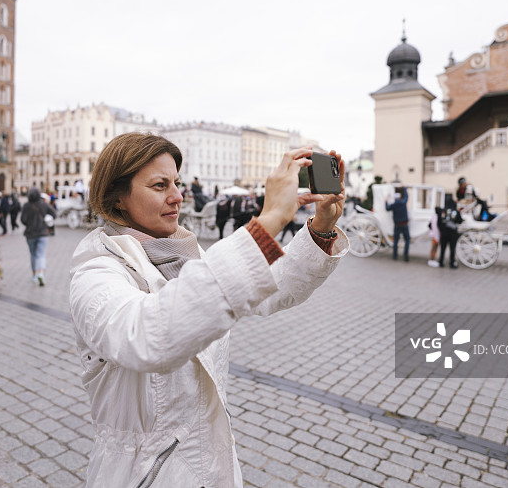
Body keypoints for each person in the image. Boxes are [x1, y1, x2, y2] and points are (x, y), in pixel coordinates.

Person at [69, 133, 347, 487]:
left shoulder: (187, 254)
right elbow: (147, 336)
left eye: (177, 183)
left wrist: (322, 227)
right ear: (117, 198)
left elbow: (271, 286)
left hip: (211, 467)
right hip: (143, 475)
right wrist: (269, 219)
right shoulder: (96, 272)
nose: (177, 196)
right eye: (159, 185)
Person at [20, 187, 56, 286]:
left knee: (33, 254)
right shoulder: (44, 204)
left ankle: (34, 275)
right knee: (41, 254)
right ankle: (41, 273)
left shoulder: (26, 206)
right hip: (43, 233)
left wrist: (29, 223)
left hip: (30, 234)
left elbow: (23, 220)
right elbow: (54, 213)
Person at [439, 196, 463, 268]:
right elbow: (459, 221)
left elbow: (439, 221)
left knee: (443, 248)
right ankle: (452, 262)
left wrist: (441, 229)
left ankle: (441, 261)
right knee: (452, 249)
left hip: (444, 233)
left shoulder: (443, 210)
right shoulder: (455, 211)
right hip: (453, 233)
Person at [386, 187, 410, 262]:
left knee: (396, 241)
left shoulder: (393, 205)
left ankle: (395, 256)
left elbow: (387, 208)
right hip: (404, 224)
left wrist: (385, 201)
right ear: (400, 197)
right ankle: (405, 255)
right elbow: (406, 196)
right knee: (407, 240)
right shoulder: (403, 202)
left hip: (397, 225)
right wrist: (404, 188)